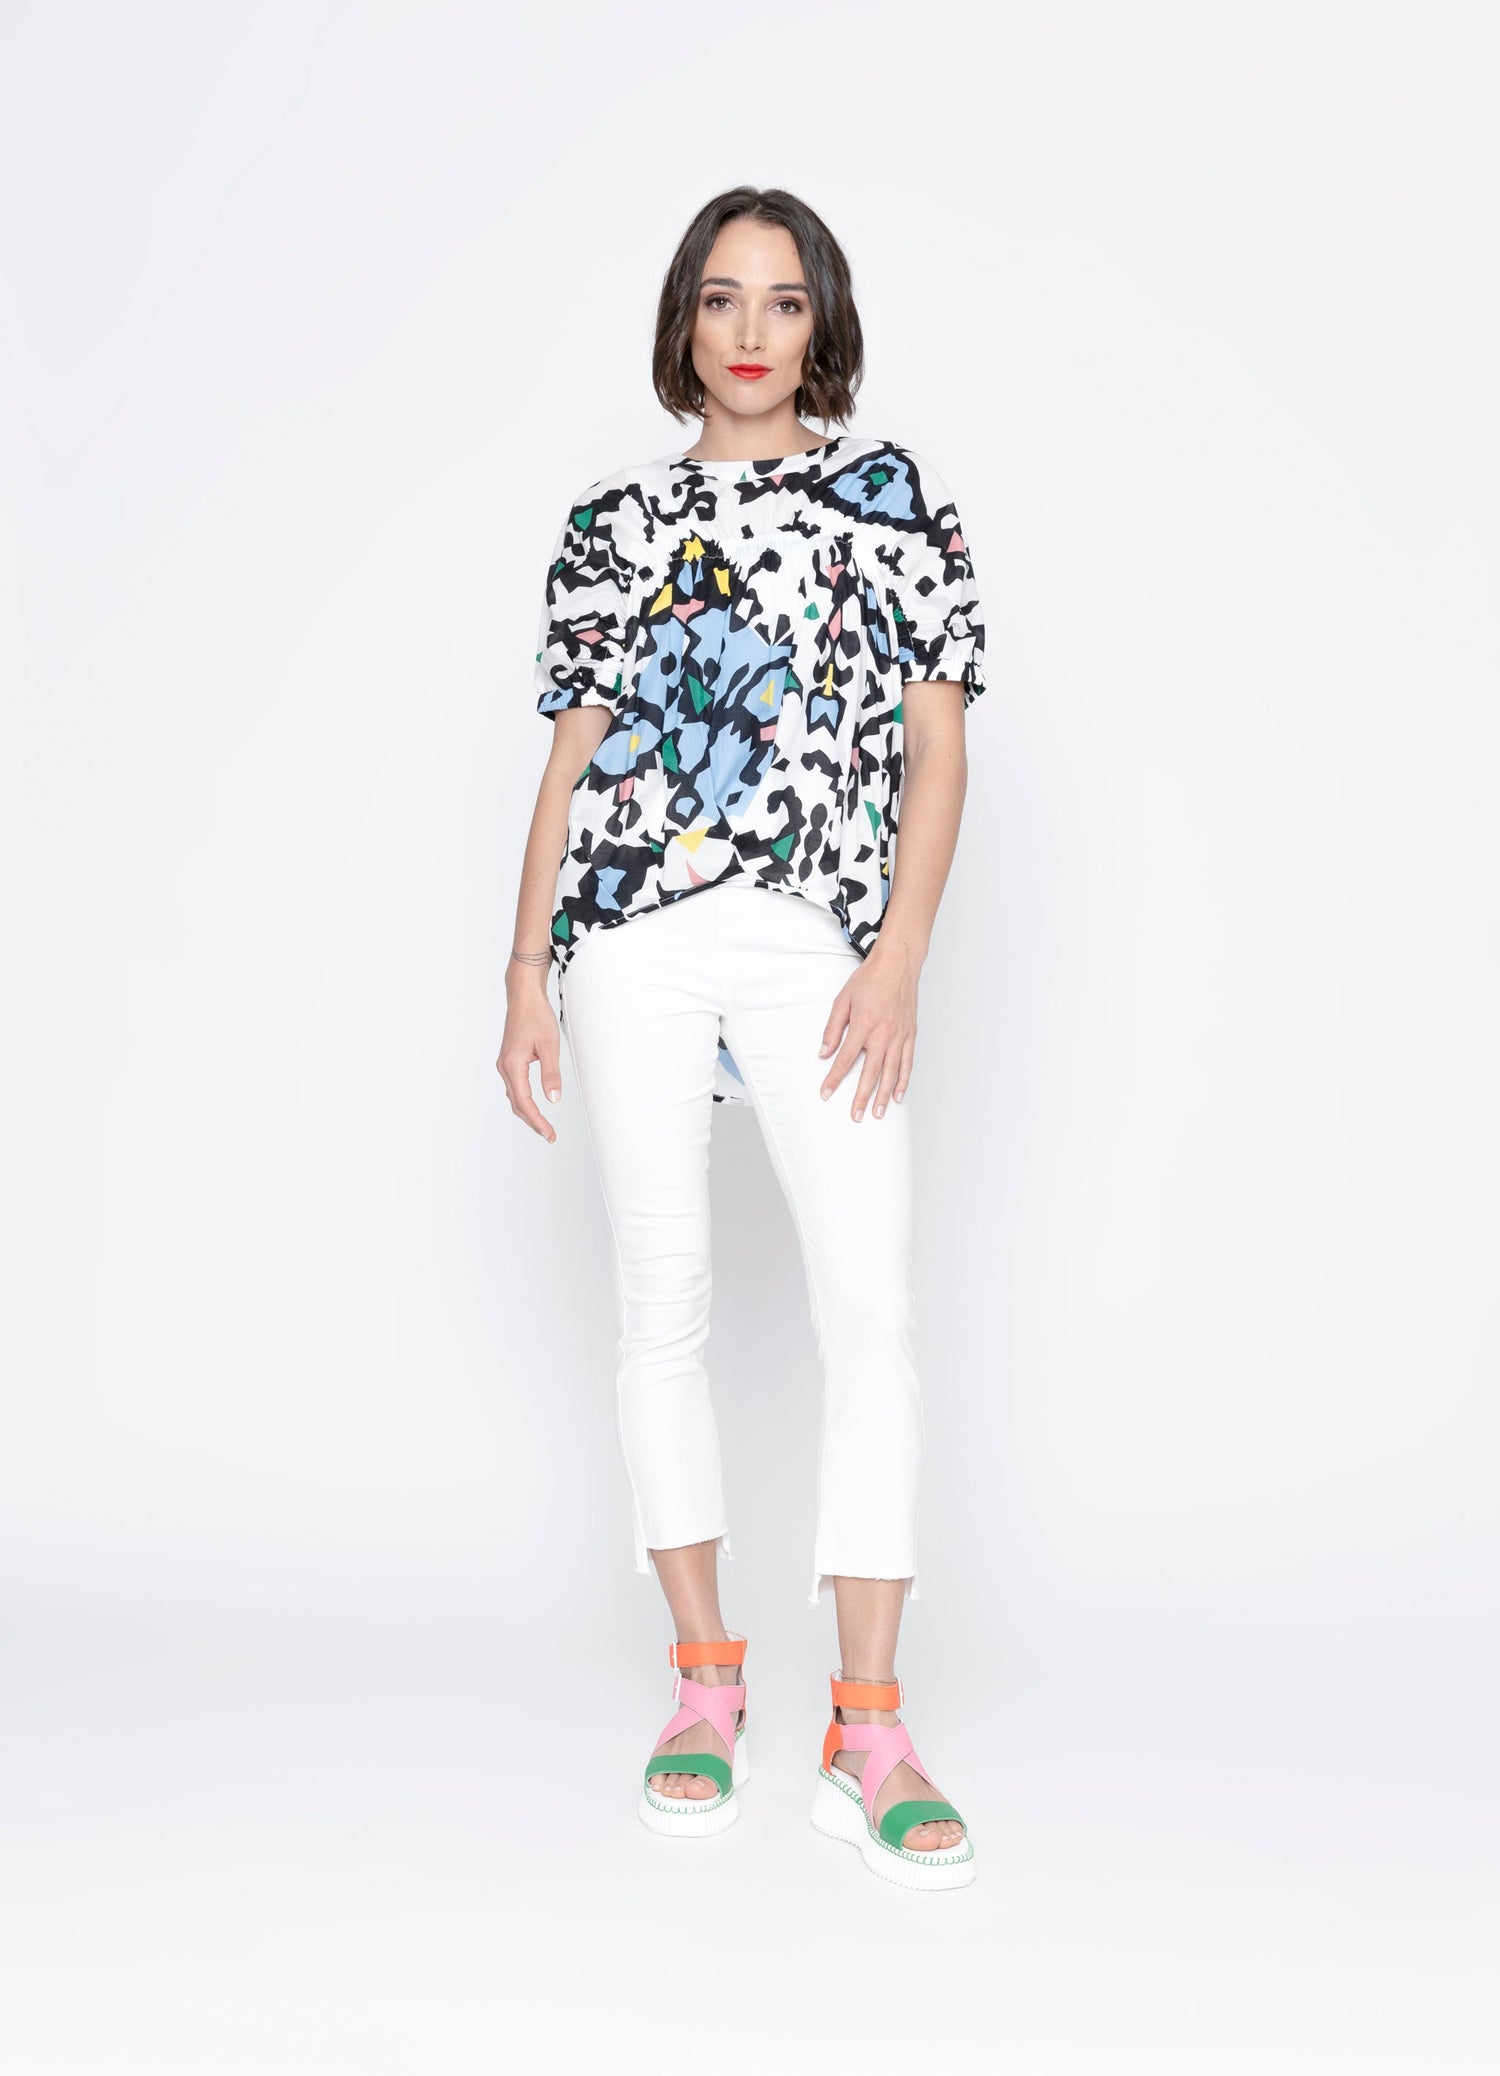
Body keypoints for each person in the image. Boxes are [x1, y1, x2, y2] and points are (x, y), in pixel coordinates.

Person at [498, 187, 987, 1893]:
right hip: (630, 939)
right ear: (685, 326)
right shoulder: (611, 520)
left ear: (821, 322)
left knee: (871, 1312)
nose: (754, 331)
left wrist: (900, 953)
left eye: (784, 300)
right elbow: (574, 759)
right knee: (665, 1307)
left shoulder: (891, 501)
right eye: (722, 299)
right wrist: (524, 970)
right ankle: (707, 1685)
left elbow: (938, 747)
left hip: (810, 945)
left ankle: (870, 1730)